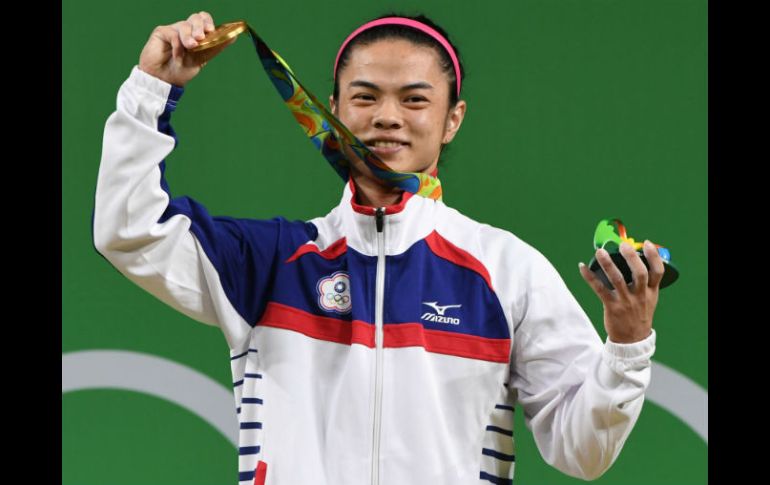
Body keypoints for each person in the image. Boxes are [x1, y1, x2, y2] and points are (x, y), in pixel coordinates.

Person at [93, 10, 664, 485]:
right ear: (334, 109)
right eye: (365, 97)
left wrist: (628, 345)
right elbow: (128, 230)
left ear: (452, 120)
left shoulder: (506, 269)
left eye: (415, 100)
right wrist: (152, 89)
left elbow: (583, 452)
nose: (387, 117)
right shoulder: (271, 261)